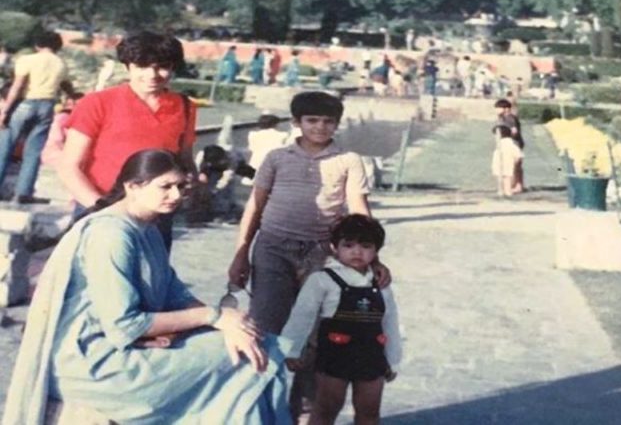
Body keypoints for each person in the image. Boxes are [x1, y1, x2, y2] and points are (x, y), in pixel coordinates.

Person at [2, 149, 292, 425]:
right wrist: (214, 317)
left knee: (257, 346)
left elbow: (175, 294)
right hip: (93, 360)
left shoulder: (148, 228)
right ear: (133, 186)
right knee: (249, 363)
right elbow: (125, 325)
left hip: (128, 345)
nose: (176, 196)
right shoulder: (111, 235)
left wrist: (230, 325)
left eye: (181, 187)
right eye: (165, 187)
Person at [226, 91, 391, 420]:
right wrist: (241, 253)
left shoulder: (348, 160)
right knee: (265, 329)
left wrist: (372, 258)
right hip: (273, 249)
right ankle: (258, 412)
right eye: (312, 120)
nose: (320, 127)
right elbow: (255, 207)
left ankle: (303, 413)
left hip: (319, 255)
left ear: (337, 125)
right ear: (296, 123)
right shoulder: (276, 157)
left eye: (328, 121)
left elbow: (359, 210)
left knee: (318, 336)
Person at [57, 31, 197, 251]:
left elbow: (185, 160)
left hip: (155, 216)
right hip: (100, 210)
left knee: (151, 281)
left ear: (173, 67)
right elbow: (69, 166)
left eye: (162, 66)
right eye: (142, 66)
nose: (152, 75)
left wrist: (188, 183)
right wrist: (102, 210)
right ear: (127, 66)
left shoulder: (185, 107)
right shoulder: (97, 103)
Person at [281, 214, 401, 425]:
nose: (357, 251)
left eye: (365, 246)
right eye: (349, 245)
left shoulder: (380, 283)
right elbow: (303, 315)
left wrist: (392, 359)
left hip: (371, 356)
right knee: (326, 408)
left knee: (369, 411)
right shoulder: (322, 279)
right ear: (335, 247)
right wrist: (292, 349)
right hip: (335, 356)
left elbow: (389, 321)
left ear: (376, 251)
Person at [0, 31, 74, 203]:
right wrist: (71, 97)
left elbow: (18, 86)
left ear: (37, 45)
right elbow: (66, 85)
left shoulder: (28, 60)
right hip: (47, 106)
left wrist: (4, 111)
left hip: (25, 104)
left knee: (5, 147)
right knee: (33, 151)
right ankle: (23, 194)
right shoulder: (60, 64)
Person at [41, 92, 84, 168]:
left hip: (45, 154)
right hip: (56, 156)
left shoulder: (56, 116)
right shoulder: (66, 118)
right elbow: (72, 140)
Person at [245, 112, 288, 181]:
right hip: (274, 163)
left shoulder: (252, 135)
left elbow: (251, 148)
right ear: (275, 124)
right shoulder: (282, 135)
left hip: (256, 162)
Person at [494, 98, 524, 192]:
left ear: (506, 108)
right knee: (517, 165)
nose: (496, 110)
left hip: (512, 143)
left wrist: (506, 136)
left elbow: (514, 131)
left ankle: (512, 186)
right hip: (516, 143)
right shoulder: (506, 117)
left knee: (511, 165)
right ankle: (518, 185)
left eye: (498, 108)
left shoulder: (509, 118)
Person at [492, 125, 523, 197]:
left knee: (506, 180)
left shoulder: (507, 143)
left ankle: (507, 192)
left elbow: (517, 155)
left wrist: (516, 162)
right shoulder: (501, 144)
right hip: (503, 165)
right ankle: (504, 192)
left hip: (507, 165)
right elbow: (518, 155)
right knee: (504, 180)